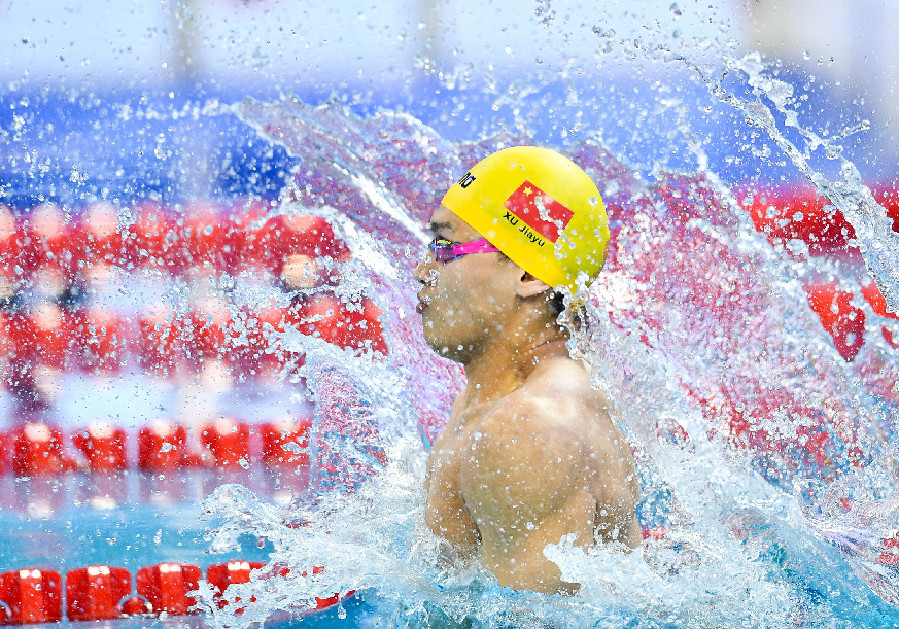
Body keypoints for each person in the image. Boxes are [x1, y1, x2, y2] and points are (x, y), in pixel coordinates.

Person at [415, 146, 641, 595]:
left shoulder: (528, 427)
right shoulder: (499, 397)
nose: (422, 271)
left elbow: (534, 620)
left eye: (445, 249)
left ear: (528, 275)